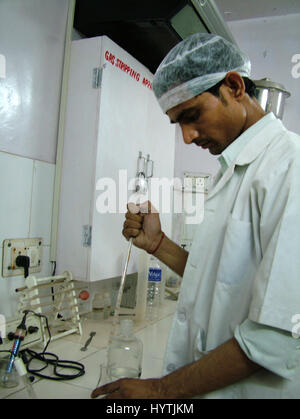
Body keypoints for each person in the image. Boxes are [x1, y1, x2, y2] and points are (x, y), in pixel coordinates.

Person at [91, 33, 300, 399]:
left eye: (192, 116)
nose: (187, 137)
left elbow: (277, 334)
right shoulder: (231, 171)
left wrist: (161, 390)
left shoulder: (289, 167)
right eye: (178, 124)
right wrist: (159, 245)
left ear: (233, 86)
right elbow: (221, 280)